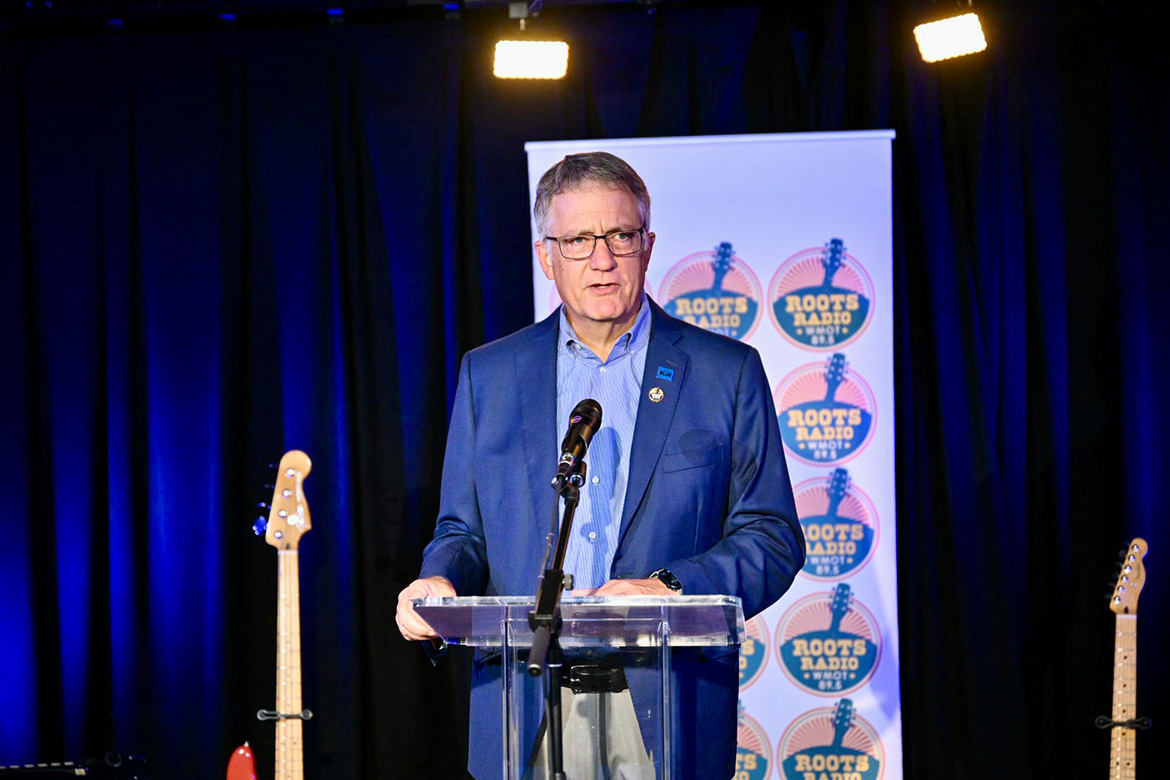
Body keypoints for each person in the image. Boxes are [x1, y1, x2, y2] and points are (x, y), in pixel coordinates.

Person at [396, 151, 804, 779]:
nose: (602, 259)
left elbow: (771, 536)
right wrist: (437, 580)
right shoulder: (490, 375)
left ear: (648, 245)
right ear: (547, 256)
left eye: (620, 235)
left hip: (666, 705)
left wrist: (667, 588)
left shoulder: (725, 373)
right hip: (524, 704)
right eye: (579, 240)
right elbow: (462, 531)